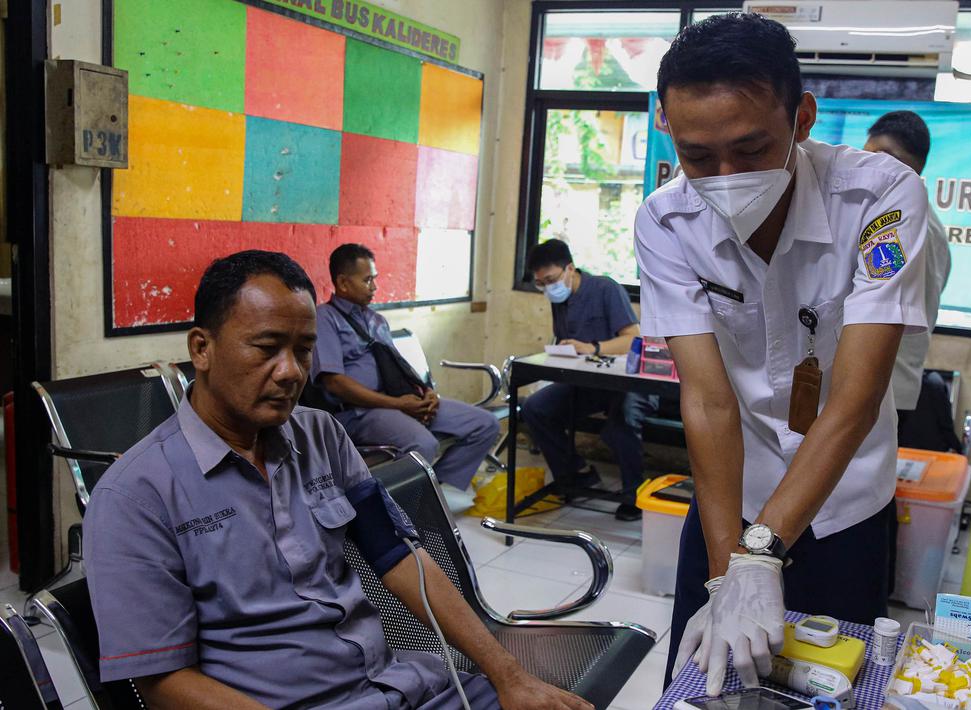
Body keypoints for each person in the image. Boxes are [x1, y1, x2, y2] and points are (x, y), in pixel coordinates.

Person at [82, 251, 591, 709]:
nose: (290, 372)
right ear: (201, 348)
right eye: (266, 348)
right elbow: (162, 682)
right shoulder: (136, 496)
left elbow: (397, 555)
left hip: (406, 685)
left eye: (304, 350)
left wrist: (508, 675)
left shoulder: (320, 434)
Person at [634, 13, 928, 695]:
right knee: (704, 684)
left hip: (843, 500)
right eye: (698, 156)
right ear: (666, 127)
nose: (725, 175)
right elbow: (707, 401)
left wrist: (760, 556)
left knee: (827, 689)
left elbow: (852, 402)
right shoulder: (665, 219)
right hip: (728, 497)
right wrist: (723, 575)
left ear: (801, 118)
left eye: (750, 147)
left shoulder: (880, 197)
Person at [312, 243, 500, 511]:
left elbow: (398, 368)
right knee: (423, 443)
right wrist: (399, 405)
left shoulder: (377, 321)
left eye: (374, 278)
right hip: (360, 412)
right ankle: (400, 513)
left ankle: (429, 495)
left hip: (399, 403)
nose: (374, 286)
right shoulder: (325, 319)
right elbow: (335, 383)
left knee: (485, 424)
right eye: (367, 280)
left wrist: (425, 394)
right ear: (342, 282)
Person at [521, 239, 657, 521]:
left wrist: (593, 348)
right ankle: (576, 475)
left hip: (629, 381)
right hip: (590, 381)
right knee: (536, 408)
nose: (547, 288)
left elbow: (633, 338)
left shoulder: (605, 288)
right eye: (540, 284)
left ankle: (635, 494)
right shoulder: (560, 299)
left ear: (570, 268)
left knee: (619, 425)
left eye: (551, 280)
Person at [863, 111, 953, 444]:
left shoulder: (912, 227)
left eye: (877, 159)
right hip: (872, 383)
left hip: (879, 387)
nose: (865, 168)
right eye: (864, 154)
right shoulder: (894, 216)